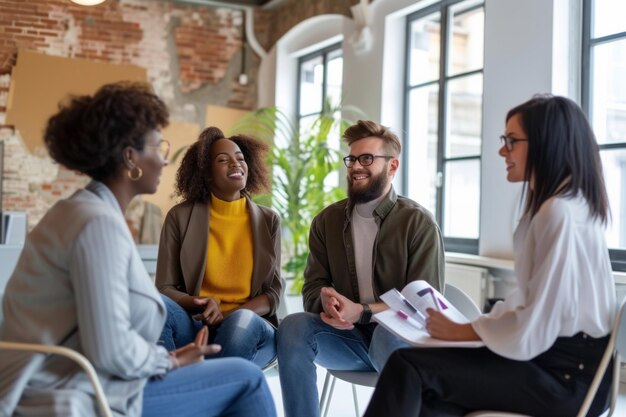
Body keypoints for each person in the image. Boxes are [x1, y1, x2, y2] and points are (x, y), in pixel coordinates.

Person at [0, 82, 277, 417]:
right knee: (246, 378)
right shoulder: (97, 224)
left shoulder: (78, 210)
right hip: (75, 392)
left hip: (70, 379)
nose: (163, 159)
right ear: (131, 157)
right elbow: (110, 350)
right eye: (157, 146)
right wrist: (169, 360)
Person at [364, 95, 616, 417]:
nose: (502, 151)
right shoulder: (565, 206)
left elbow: (535, 324)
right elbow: (533, 307)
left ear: (544, 143)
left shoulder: (559, 213)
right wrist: (477, 328)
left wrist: (464, 331)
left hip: (567, 379)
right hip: (566, 367)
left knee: (408, 367)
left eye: (512, 141)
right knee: (432, 397)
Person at [276, 119, 445, 417]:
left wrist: (363, 311)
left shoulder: (418, 223)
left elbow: (424, 307)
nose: (356, 166)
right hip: (347, 340)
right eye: (352, 158)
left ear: (392, 166)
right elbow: (313, 288)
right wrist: (328, 301)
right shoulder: (326, 221)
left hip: (400, 343)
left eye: (367, 158)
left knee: (384, 334)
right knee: (292, 326)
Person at [155, 126, 281, 368]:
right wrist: (199, 303)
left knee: (240, 323)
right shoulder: (180, 217)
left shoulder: (268, 220)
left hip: (251, 326)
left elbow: (273, 293)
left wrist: (226, 316)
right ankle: (170, 390)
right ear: (207, 173)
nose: (236, 164)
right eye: (223, 160)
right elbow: (164, 288)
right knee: (156, 307)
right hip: (196, 324)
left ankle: (206, 394)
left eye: (240, 158)